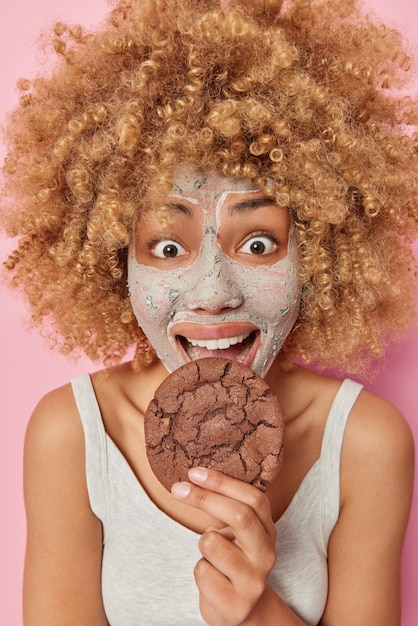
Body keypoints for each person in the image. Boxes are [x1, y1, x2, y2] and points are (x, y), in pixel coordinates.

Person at [1, 0, 417, 624]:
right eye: (168, 247)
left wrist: (256, 610)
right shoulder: (76, 434)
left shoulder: (365, 442)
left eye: (257, 243)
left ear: (324, 252)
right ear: (117, 261)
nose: (214, 293)